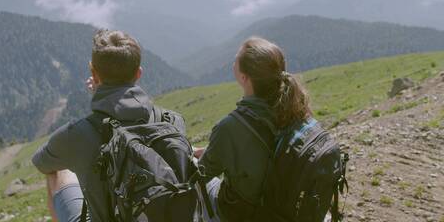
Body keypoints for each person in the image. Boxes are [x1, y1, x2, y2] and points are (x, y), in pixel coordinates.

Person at [32, 30, 189, 222]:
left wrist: (100, 96)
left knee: (58, 172)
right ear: (139, 73)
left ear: (94, 75)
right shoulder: (173, 121)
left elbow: (41, 161)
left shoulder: (76, 135)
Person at [194, 37, 313, 221]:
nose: (233, 62)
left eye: (235, 59)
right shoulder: (295, 109)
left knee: (198, 181)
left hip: (246, 213)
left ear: (244, 77)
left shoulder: (230, 127)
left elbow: (203, 173)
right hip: (285, 205)